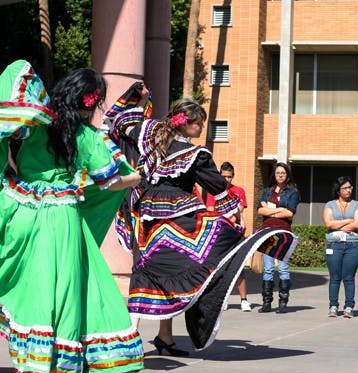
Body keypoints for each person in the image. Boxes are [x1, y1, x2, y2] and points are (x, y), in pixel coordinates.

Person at [108, 88, 297, 352]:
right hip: (176, 222)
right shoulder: (195, 155)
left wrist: (139, 99)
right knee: (204, 257)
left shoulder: (148, 134)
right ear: (187, 123)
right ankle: (128, 338)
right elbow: (219, 188)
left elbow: (121, 122)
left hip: (143, 216)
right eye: (200, 123)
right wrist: (236, 221)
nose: (202, 128)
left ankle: (163, 337)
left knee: (152, 270)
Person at [0, 60, 144, 373]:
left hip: (21, 211)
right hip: (61, 220)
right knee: (61, 295)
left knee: (31, 289)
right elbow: (109, 182)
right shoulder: (86, 136)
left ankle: (32, 366)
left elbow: (15, 71)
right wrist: (136, 177)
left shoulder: (34, 122)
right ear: (91, 103)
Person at [206, 161, 252, 312]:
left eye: (229, 177)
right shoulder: (213, 192)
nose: (226, 179)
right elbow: (211, 212)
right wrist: (228, 219)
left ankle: (244, 300)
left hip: (236, 234)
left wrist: (235, 219)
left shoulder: (239, 191)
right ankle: (223, 299)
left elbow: (240, 210)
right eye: (224, 176)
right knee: (220, 268)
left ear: (233, 177)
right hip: (220, 235)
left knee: (238, 267)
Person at [257, 162, 300, 313]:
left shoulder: (293, 192)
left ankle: (283, 303)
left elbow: (290, 213)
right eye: (277, 173)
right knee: (268, 269)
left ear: (287, 175)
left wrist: (272, 210)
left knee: (282, 267)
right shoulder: (267, 191)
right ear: (274, 175)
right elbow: (260, 211)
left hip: (283, 233)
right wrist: (280, 209)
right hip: (267, 232)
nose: (280, 175)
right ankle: (267, 303)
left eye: (283, 173)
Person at [323, 176, 358, 318]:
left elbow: (357, 224)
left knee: (349, 277)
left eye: (350, 187)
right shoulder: (330, 205)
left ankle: (349, 306)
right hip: (334, 245)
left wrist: (338, 224)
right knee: (334, 277)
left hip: (352, 245)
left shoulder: (357, 205)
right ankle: (333, 306)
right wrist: (348, 221)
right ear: (338, 190)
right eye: (345, 188)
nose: (349, 190)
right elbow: (328, 224)